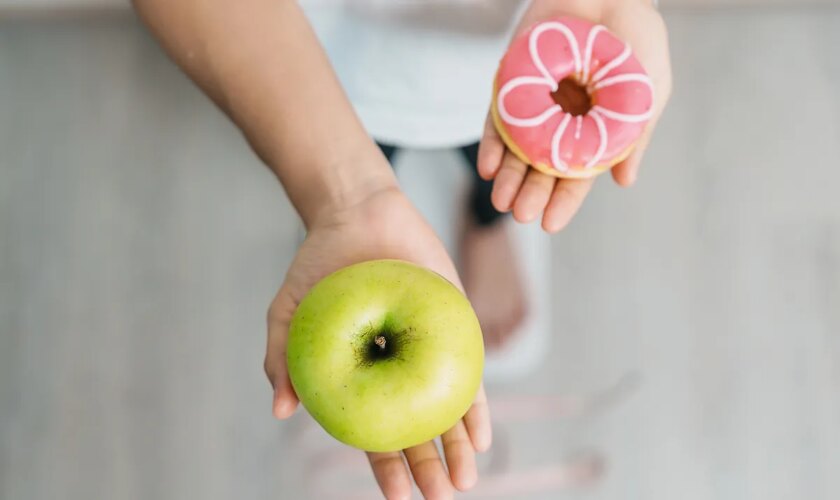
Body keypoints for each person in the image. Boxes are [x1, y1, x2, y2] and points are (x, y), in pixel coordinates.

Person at [132, 0, 671, 498]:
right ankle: (373, 206)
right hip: (308, 64)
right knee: (379, 147)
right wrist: (344, 194)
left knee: (497, 161)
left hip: (519, 59)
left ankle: (483, 222)